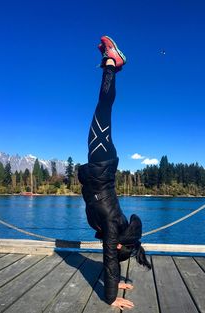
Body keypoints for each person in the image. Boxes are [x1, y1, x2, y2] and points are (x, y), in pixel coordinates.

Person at [78, 36, 151, 310]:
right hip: (100, 164)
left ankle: (113, 66)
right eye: (116, 247)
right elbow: (110, 259)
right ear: (119, 244)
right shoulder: (111, 224)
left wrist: (118, 280)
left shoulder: (114, 224)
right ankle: (112, 63)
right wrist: (110, 297)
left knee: (103, 111)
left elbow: (112, 256)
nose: (110, 247)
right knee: (103, 109)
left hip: (102, 166)